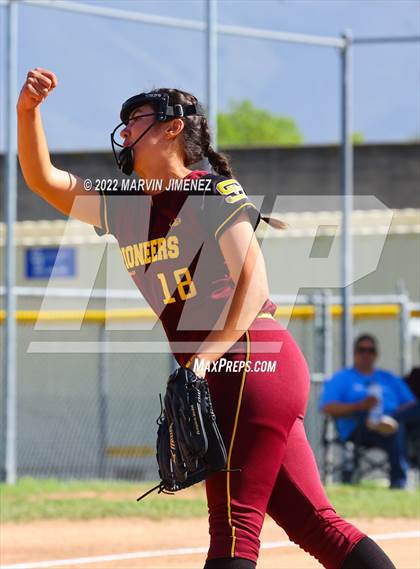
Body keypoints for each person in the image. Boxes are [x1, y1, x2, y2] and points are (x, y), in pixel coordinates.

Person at [17, 67, 397, 569]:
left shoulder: (210, 191)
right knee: (314, 524)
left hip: (247, 359)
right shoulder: (125, 204)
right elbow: (43, 179)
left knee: (234, 527)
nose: (124, 131)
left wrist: (203, 359)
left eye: (136, 119)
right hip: (238, 370)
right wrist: (27, 113)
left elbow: (253, 284)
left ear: (173, 127)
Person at [320, 334, 417, 489]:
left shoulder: (388, 378)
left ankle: (385, 421)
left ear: (376, 354)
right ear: (354, 353)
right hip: (358, 426)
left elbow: (411, 404)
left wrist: (393, 415)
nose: (366, 354)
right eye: (362, 350)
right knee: (397, 428)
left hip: (393, 419)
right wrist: (360, 406)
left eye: (371, 351)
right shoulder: (341, 378)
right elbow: (327, 407)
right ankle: (399, 482)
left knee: (401, 422)